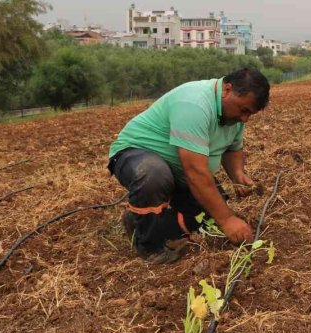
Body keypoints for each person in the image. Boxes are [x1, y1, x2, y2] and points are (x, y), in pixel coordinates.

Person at [107, 67, 270, 263]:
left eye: (250, 114)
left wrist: (237, 174)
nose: (245, 119)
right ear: (227, 90)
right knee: (153, 174)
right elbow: (195, 173)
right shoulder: (195, 104)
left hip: (178, 170)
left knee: (208, 218)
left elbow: (232, 148)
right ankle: (150, 246)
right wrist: (227, 220)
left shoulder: (233, 116)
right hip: (135, 154)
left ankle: (139, 221)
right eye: (244, 110)